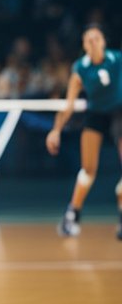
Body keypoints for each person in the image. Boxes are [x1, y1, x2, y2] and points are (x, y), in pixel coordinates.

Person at [46, 25, 122, 238]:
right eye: (89, 40)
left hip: (119, 112)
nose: (93, 43)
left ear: (104, 42)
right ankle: (72, 215)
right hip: (96, 113)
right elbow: (68, 104)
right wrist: (56, 130)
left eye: (97, 38)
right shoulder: (80, 68)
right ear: (84, 45)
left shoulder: (117, 59)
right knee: (88, 168)